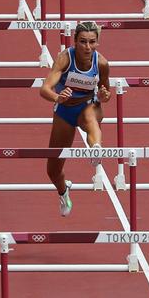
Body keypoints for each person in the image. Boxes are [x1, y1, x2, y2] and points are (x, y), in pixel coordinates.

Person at [40, 21, 111, 217]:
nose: (87, 47)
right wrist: (58, 97)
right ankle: (64, 191)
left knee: (90, 117)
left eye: (92, 42)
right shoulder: (64, 58)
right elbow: (44, 89)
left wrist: (105, 96)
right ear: (75, 42)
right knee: (53, 170)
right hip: (64, 110)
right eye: (83, 42)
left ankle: (96, 148)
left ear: (97, 43)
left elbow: (106, 92)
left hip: (89, 105)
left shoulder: (102, 63)